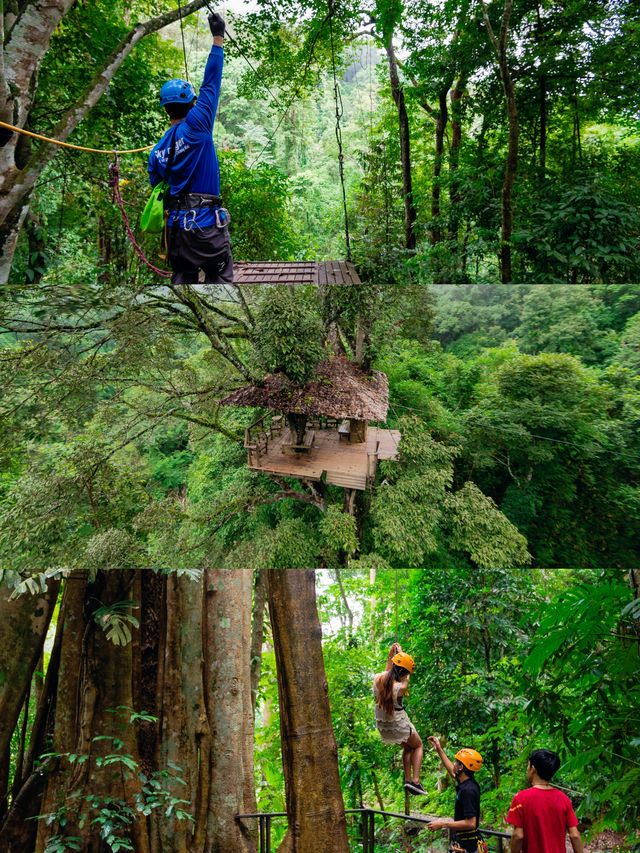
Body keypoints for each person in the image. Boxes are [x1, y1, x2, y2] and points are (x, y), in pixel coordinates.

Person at [148, 10, 233, 285]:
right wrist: (217, 37)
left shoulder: (158, 150)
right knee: (219, 280)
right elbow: (211, 83)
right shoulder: (197, 125)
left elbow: (157, 184)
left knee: (183, 282)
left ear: (166, 110)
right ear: (193, 103)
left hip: (176, 233)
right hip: (206, 228)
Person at [372, 643, 425, 795]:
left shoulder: (378, 679)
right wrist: (401, 657)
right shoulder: (401, 687)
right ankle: (415, 780)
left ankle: (407, 781)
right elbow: (404, 675)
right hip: (398, 723)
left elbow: (389, 671)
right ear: (404, 673)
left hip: (384, 725)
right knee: (418, 745)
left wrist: (394, 656)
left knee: (408, 747)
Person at [506, 749, 584, 853]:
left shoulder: (521, 798)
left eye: (528, 766)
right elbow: (575, 835)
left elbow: (518, 836)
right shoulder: (564, 799)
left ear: (533, 769)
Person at [427, 737, 483, 852]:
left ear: (461, 767)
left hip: (469, 845)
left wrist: (442, 824)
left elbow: (471, 823)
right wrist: (439, 749)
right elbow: (452, 771)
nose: (454, 764)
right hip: (464, 841)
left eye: (457, 762)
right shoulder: (467, 783)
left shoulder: (468, 790)